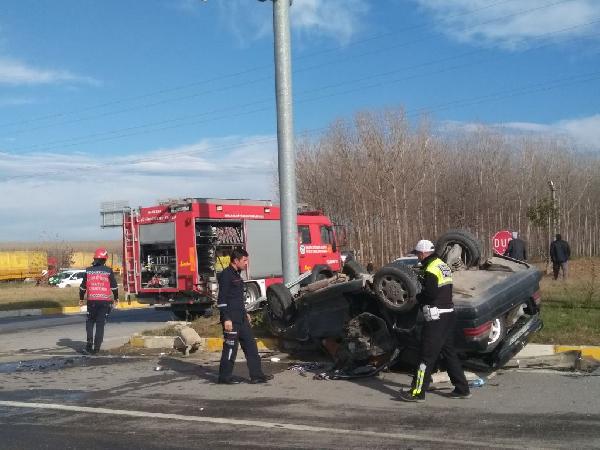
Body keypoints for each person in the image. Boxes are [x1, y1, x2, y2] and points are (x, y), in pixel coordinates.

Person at [399, 239, 470, 402]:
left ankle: (417, 392)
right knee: (449, 354)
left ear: (423, 253)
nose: (417, 257)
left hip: (436, 318)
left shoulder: (430, 269)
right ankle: (462, 388)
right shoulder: (442, 265)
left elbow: (430, 294)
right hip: (448, 315)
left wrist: (417, 298)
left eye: (417, 254)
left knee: (426, 356)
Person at [217, 248, 273, 384]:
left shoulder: (237, 274)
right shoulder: (226, 275)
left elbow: (237, 298)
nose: (246, 263)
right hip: (232, 320)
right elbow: (222, 299)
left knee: (251, 346)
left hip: (241, 318)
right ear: (236, 261)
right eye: (244, 260)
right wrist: (226, 319)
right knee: (230, 349)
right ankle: (224, 377)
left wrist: (245, 313)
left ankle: (257, 375)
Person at [79, 248, 119, 354]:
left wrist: (81, 299)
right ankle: (96, 349)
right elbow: (114, 287)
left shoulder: (88, 270)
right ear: (105, 259)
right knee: (100, 324)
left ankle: (89, 344)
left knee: (90, 321)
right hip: (105, 302)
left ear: (95, 258)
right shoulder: (108, 271)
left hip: (91, 301)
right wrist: (116, 298)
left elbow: (82, 288)